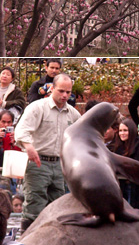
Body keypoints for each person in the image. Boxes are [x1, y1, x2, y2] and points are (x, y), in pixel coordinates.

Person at [15, 73, 81, 234]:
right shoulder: (37, 107)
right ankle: (27, 239)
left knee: (57, 205)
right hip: (38, 162)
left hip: (60, 164)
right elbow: (21, 131)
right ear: (52, 88)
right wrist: (29, 147)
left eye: (68, 92)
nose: (65, 95)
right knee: (34, 204)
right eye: (61, 91)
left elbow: (81, 136)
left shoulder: (73, 113)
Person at [113, 118, 139, 219]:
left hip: (135, 186)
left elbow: (137, 164)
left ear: (132, 130)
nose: (122, 133)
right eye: (120, 131)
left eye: (125, 130)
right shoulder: (117, 146)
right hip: (121, 187)